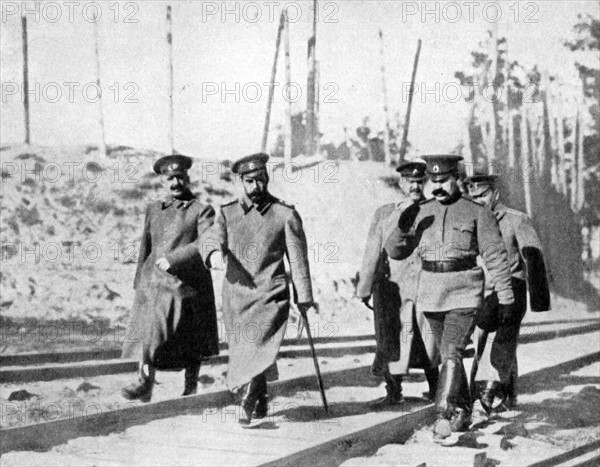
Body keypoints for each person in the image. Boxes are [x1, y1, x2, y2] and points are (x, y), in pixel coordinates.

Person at [384, 154, 515, 440]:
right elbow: (396, 251)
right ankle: (463, 412)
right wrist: (402, 227)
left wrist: (505, 297)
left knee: (451, 352)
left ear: (457, 179)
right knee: (448, 356)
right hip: (431, 293)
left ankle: (443, 413)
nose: (438, 186)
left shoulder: (477, 212)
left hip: (464, 292)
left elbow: (495, 256)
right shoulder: (423, 210)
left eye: (444, 180)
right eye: (434, 181)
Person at [199, 153, 314, 426]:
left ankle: (248, 400)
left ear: (267, 178)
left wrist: (304, 297)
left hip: (270, 295)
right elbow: (213, 237)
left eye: (260, 180)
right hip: (237, 295)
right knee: (246, 350)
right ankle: (261, 396)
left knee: (257, 345)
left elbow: (298, 260)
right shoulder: (227, 213)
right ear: (240, 181)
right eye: (250, 181)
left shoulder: (285, 214)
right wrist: (214, 254)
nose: (256, 187)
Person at [121, 154, 219, 402]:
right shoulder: (154, 209)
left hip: (186, 284)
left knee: (190, 337)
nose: (175, 183)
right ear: (163, 181)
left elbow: (205, 241)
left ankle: (190, 386)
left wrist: (175, 259)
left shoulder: (201, 210)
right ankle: (145, 380)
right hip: (154, 281)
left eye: (179, 178)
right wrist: (138, 282)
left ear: (187, 178)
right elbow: (146, 245)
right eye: (170, 179)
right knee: (149, 328)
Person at [467, 173, 550, 420]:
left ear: (496, 194)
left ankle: (490, 393)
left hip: (512, 289)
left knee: (502, 341)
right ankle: (493, 391)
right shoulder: (471, 220)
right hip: (481, 292)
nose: (478, 201)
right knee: (479, 342)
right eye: (473, 197)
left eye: (482, 195)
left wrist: (539, 300)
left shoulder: (516, 219)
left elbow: (533, 256)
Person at [357, 160, 439, 407]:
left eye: (419, 181)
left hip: (426, 286)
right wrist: (365, 287)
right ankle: (394, 391)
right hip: (393, 289)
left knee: (429, 338)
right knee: (390, 339)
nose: (414, 186)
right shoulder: (385, 213)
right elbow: (372, 252)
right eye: (409, 181)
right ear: (401, 183)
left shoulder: (434, 210)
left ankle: (436, 389)